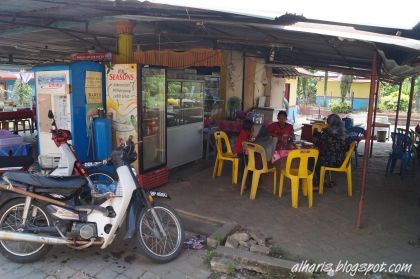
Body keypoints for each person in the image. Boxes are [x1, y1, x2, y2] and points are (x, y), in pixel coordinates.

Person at [313, 114, 350, 189]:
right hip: (342, 161)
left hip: (331, 161)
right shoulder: (344, 132)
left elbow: (318, 142)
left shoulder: (327, 132)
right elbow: (347, 147)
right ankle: (325, 180)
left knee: (313, 160)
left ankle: (319, 183)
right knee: (321, 157)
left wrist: (317, 134)